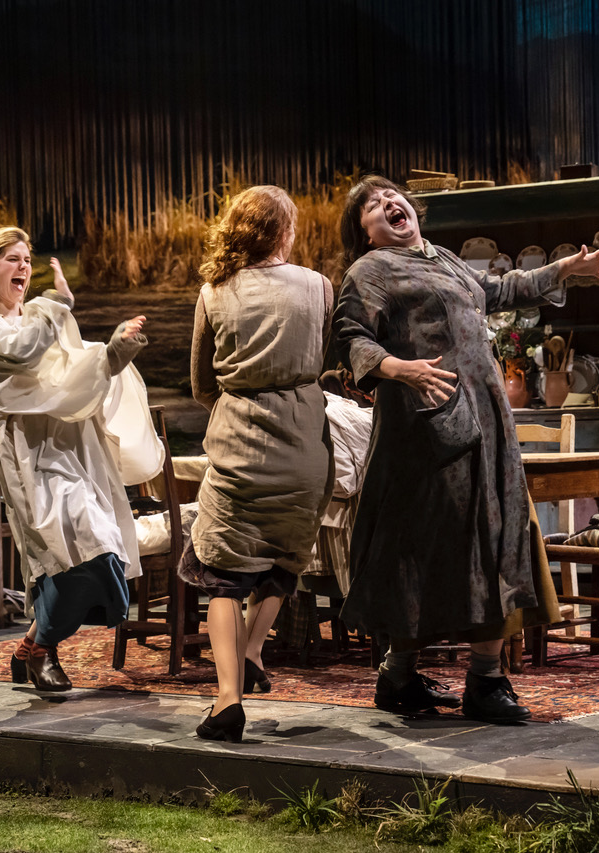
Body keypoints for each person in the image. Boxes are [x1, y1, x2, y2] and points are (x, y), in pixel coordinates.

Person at [332, 175, 599, 723]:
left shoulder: (442, 258)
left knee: (492, 539)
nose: (390, 203)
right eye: (373, 205)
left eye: (392, 195)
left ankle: (481, 680)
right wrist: (399, 368)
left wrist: (564, 269)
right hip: (424, 434)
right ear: (366, 233)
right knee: (422, 549)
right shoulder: (369, 271)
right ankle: (401, 676)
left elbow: (499, 289)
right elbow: (350, 337)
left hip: (487, 423)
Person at [0, 227, 162, 692]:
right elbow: (23, 353)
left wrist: (113, 355)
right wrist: (57, 305)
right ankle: (44, 646)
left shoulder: (42, 324)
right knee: (64, 551)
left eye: (28, 259)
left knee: (97, 545)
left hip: (69, 448)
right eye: (13, 259)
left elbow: (77, 372)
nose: (24, 267)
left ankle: (37, 645)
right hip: (26, 454)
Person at [181, 185, 335, 743]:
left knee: (222, 574)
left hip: (240, 442)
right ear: (285, 231)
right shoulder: (318, 287)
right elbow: (328, 356)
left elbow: (201, 383)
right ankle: (251, 650)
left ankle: (227, 700)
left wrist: (239, 404)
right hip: (303, 442)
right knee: (282, 560)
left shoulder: (214, 291)